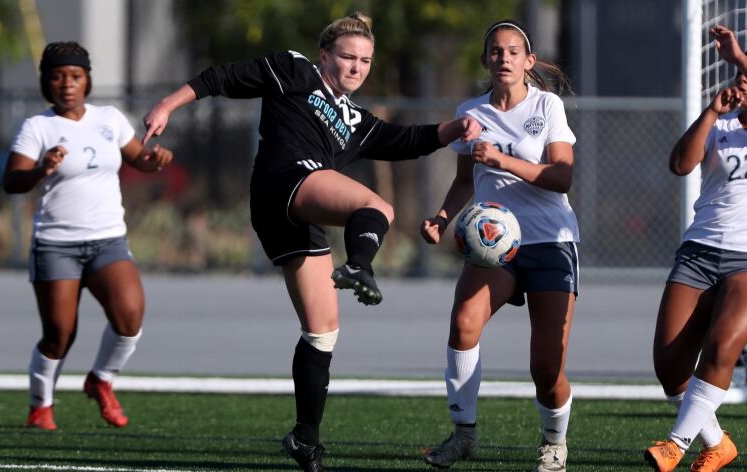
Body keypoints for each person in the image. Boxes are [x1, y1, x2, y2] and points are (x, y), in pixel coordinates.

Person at [142, 12, 480, 472]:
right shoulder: (295, 68)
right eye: (347, 57)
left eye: (365, 60)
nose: (357, 67)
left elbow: (407, 140)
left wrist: (455, 130)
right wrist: (167, 105)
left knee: (322, 332)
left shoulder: (356, 119)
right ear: (326, 55)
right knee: (378, 208)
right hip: (284, 182)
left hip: (293, 217)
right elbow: (220, 78)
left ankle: (305, 438)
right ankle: (361, 265)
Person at [644, 25, 747, 472]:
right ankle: (717, 443)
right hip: (699, 252)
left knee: (722, 346)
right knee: (670, 367)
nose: (743, 79)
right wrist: (707, 113)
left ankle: (676, 445)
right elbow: (680, 165)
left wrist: (739, 57)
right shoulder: (718, 123)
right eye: (741, 72)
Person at [420, 20, 579, 472]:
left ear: (528, 62)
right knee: (464, 320)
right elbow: (463, 180)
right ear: (485, 60)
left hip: (551, 241)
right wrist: (442, 217)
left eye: (513, 51)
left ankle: (553, 442)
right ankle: (463, 435)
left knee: (546, 370)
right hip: (495, 246)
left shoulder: (547, 106)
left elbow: (562, 176)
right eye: (495, 51)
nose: (503, 58)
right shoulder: (470, 112)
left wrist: (502, 159)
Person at [3, 42, 173, 431]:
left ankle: (101, 379)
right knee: (60, 334)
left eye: (75, 76)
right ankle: (40, 405)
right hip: (55, 245)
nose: (67, 84)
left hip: (107, 240)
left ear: (87, 80)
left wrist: (155, 160)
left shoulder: (109, 118)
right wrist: (41, 169)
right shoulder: (38, 127)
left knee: (130, 316)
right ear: (47, 82)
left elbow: (138, 159)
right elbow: (11, 181)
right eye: (58, 77)